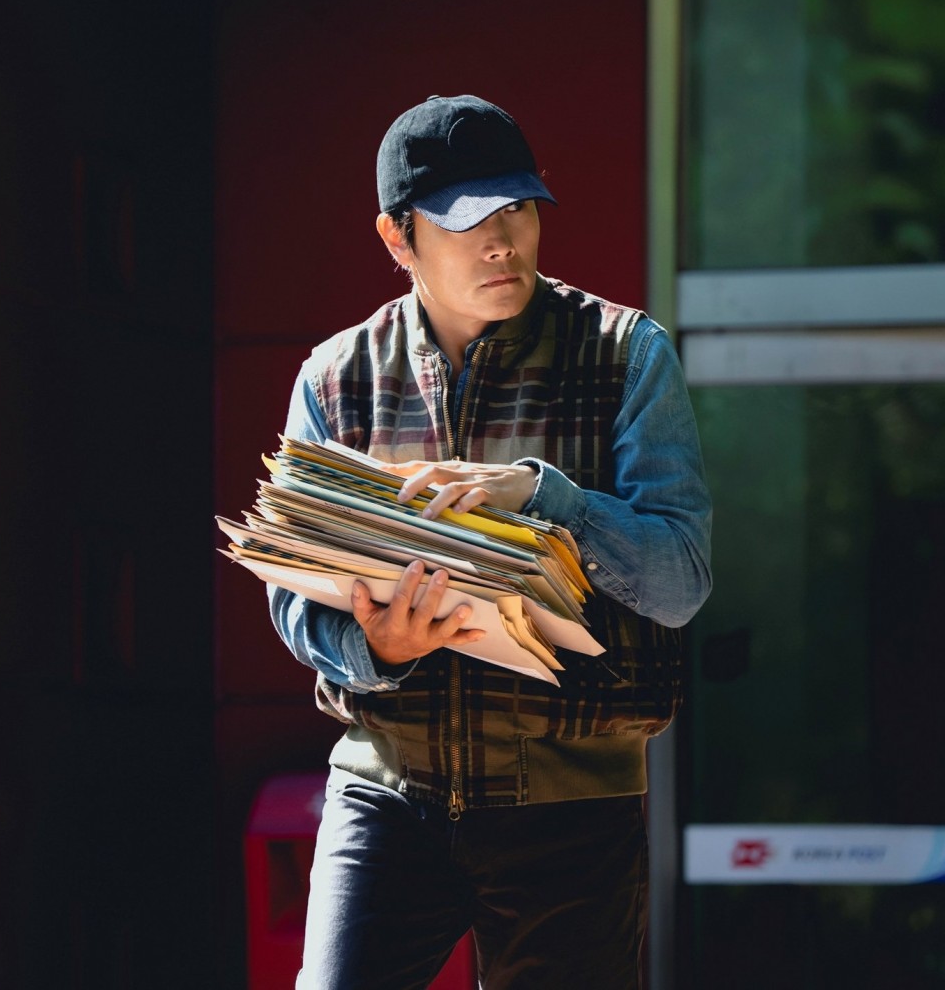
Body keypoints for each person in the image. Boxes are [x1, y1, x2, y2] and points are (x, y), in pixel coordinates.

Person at [268, 94, 712, 989]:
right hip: (387, 791)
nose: (502, 241)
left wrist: (553, 502)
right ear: (397, 238)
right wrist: (376, 648)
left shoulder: (627, 353)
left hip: (573, 805)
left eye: (518, 209)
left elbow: (681, 583)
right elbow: (293, 598)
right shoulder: (335, 378)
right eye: (467, 220)